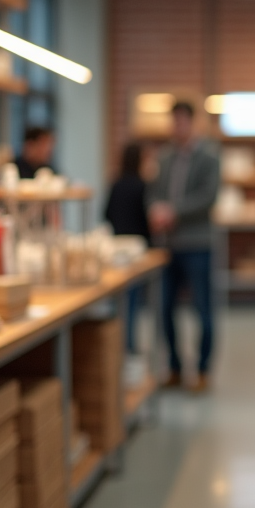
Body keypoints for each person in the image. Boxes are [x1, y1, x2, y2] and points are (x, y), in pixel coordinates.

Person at [148, 102, 220, 392]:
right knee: (163, 308)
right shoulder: (163, 158)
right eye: (173, 122)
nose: (177, 128)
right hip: (167, 246)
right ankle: (175, 367)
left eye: (182, 122)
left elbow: (208, 196)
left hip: (197, 243)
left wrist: (173, 212)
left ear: (192, 123)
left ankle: (202, 370)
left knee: (202, 309)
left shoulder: (209, 156)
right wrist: (154, 209)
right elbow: (152, 192)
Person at [105, 142, 152, 354]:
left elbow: (106, 213)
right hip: (136, 250)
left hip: (116, 248)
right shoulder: (142, 186)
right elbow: (146, 219)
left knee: (119, 301)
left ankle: (119, 345)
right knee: (132, 302)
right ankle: (128, 347)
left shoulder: (116, 184)